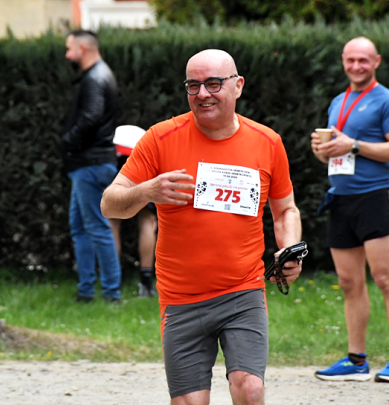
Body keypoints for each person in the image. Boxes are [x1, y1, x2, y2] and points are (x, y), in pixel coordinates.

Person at [102, 49, 303, 405]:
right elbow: (109, 203)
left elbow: (285, 209)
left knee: (250, 389)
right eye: (193, 85)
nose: (202, 94)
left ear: (238, 86)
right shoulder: (160, 139)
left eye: (213, 83)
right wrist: (147, 191)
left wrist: (289, 251)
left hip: (242, 291)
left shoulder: (267, 142)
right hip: (181, 298)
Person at [310, 37, 389, 382]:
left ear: (376, 61)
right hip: (340, 197)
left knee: (385, 278)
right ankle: (356, 360)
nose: (356, 66)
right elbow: (336, 152)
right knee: (348, 282)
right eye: (351, 60)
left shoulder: (388, 101)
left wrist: (352, 144)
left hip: (373, 196)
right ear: (343, 61)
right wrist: (323, 151)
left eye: (363, 60)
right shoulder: (338, 101)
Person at [62, 30, 122, 303]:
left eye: (70, 48)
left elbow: (91, 116)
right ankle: (86, 291)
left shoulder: (95, 78)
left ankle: (111, 293)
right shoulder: (100, 74)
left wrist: (67, 141)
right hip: (91, 163)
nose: (67, 55)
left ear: (83, 48)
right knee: (80, 227)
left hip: (91, 163)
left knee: (96, 227)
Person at [109, 125, 158, 298]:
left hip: (117, 161)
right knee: (147, 220)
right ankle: (146, 282)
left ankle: (112, 279)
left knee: (113, 222)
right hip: (141, 162)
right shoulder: (143, 137)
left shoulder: (116, 133)